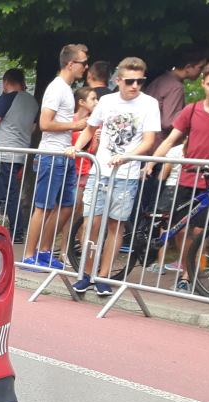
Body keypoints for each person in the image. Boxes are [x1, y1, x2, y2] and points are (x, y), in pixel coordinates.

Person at [66, 57, 161, 296]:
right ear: (118, 80)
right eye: (130, 81)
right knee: (91, 223)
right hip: (101, 170)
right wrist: (77, 148)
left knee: (115, 226)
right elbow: (90, 128)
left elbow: (149, 141)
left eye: (140, 81)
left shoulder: (149, 104)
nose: (135, 86)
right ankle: (87, 273)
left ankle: (103, 276)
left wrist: (127, 156)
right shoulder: (107, 101)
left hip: (126, 174)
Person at [151, 59, 209, 291]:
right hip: (187, 176)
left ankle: (187, 274)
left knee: (202, 230)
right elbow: (172, 138)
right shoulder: (191, 109)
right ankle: (186, 264)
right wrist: (152, 161)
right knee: (181, 229)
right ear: (203, 84)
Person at [23, 44, 90, 270]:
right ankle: (30, 255)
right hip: (52, 154)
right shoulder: (56, 88)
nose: (86, 67)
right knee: (43, 207)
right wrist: (76, 124)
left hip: (64, 155)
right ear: (70, 64)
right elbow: (45, 123)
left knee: (65, 206)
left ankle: (43, 251)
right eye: (82, 63)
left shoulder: (66, 90)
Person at [0, 68, 38, 239]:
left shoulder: (6, 98)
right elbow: (32, 128)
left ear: (6, 82)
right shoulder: (32, 101)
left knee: (9, 192)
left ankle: (17, 232)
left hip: (3, 151)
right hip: (20, 151)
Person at [146, 47, 209, 144]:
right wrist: (191, 113)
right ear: (188, 67)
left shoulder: (161, 79)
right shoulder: (176, 87)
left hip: (147, 140)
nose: (201, 72)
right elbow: (168, 122)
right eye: (200, 67)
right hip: (160, 144)